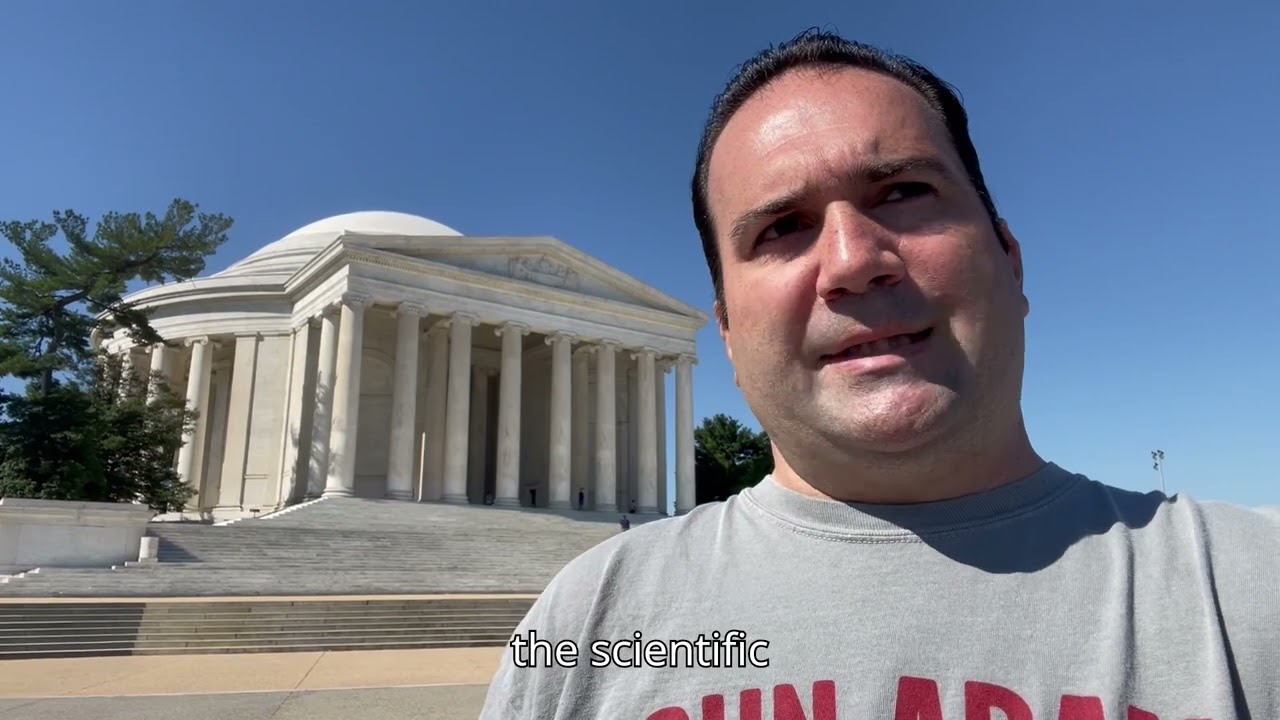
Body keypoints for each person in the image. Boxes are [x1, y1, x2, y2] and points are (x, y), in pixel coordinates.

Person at [480, 29, 1280, 719]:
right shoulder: (589, 625)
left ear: (1009, 258)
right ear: (725, 330)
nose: (853, 262)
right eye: (781, 228)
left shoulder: (1251, 595)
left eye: (902, 192)